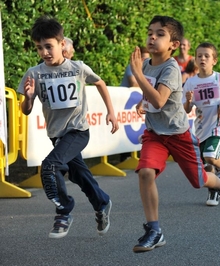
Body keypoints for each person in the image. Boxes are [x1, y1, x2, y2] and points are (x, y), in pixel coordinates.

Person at [129, 15, 220, 253]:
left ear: (174, 45)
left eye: (159, 34)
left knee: (199, 181)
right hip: (155, 133)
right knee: (145, 172)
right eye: (149, 32)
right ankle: (154, 230)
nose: (152, 37)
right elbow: (151, 98)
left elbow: (159, 98)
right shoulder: (146, 66)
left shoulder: (171, 69)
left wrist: (137, 75)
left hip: (178, 134)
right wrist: (141, 102)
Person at [17, 15, 119, 239]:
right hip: (57, 135)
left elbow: (100, 82)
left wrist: (111, 112)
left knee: (50, 166)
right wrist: (30, 98)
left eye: (49, 46)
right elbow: (25, 109)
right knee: (79, 174)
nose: (45, 52)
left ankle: (63, 212)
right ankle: (102, 203)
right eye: (39, 48)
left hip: (78, 131)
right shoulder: (34, 74)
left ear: (62, 44)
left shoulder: (78, 67)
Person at [183, 42, 220, 206]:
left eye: (207, 56)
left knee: (210, 156)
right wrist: (187, 101)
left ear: (214, 60)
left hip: (218, 125)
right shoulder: (191, 82)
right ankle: (214, 192)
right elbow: (187, 109)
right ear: (195, 59)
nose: (202, 59)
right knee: (206, 165)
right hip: (201, 127)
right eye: (199, 56)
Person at [119, 46, 150, 162]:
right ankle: (124, 156)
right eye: (143, 58)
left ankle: (139, 153)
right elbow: (133, 83)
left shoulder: (148, 69)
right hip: (125, 103)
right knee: (125, 127)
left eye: (147, 59)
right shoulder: (131, 67)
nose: (145, 61)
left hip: (138, 102)